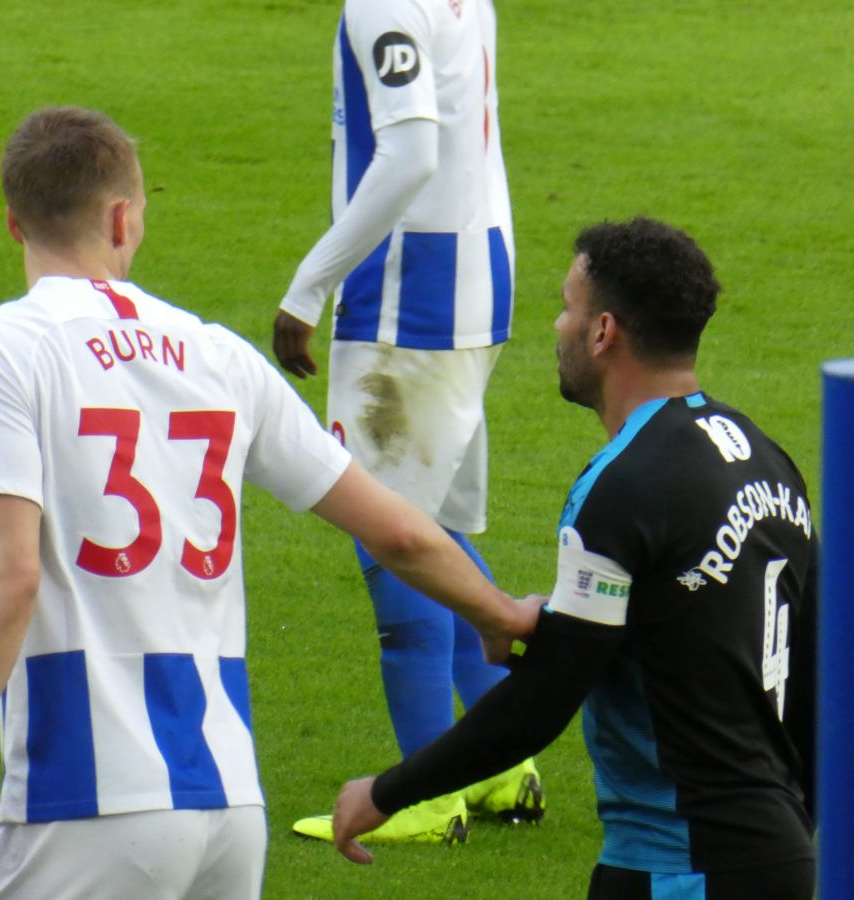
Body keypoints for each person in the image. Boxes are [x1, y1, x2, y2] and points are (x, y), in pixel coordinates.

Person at [0, 106, 542, 900]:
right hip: (229, 805)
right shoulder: (218, 356)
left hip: (85, 799)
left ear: (12, 223)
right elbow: (402, 534)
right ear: (123, 216)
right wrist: (499, 614)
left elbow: (8, 576)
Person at [331, 217, 818, 899]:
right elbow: (798, 671)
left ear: (604, 332)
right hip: (780, 855)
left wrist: (389, 791)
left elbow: (544, 700)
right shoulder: (770, 463)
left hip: (678, 867)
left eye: (568, 307)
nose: (558, 325)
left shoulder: (623, 484)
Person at [276, 0, 542, 842]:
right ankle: (501, 768)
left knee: (392, 544)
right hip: (476, 277)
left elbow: (412, 149)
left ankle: (424, 798)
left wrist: (309, 285)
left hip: (407, 299)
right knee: (439, 535)